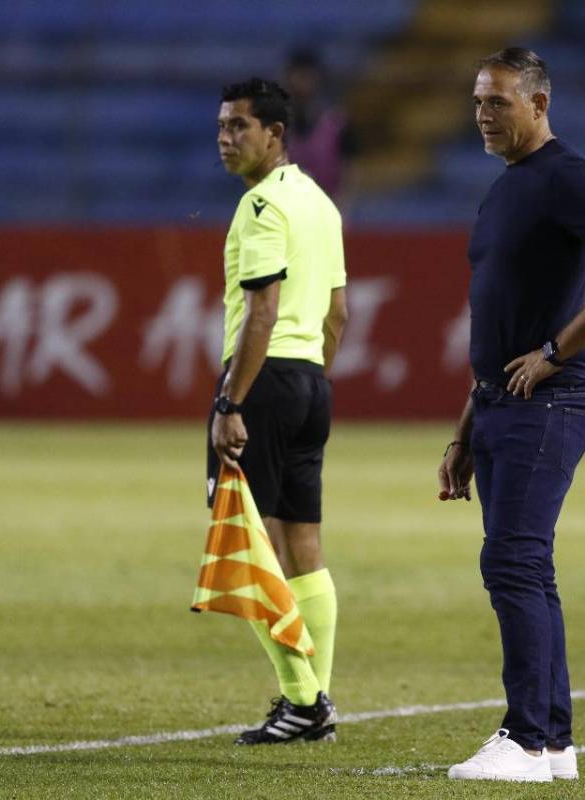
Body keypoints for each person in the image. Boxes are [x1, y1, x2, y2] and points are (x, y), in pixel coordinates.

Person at [438, 47, 585, 783]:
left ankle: (525, 739)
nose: (483, 115)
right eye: (477, 101)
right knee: (530, 567)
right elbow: (501, 319)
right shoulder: (506, 188)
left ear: (539, 104)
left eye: (498, 102)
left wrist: (557, 352)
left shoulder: (565, 175)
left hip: (550, 399)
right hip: (500, 404)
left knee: (512, 561)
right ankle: (555, 742)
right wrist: (467, 427)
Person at [209, 76, 348, 745]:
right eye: (222, 126)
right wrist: (312, 377)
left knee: (250, 545)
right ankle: (313, 700)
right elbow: (339, 313)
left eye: (240, 126)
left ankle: (303, 699)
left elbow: (261, 311)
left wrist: (233, 400)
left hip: (264, 385)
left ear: (276, 135)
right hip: (310, 382)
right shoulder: (321, 205)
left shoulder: (262, 207)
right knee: (303, 546)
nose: (226, 139)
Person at [281, 49, 356, 203]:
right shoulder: (273, 126)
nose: (301, 84)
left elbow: (349, 172)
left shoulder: (337, 124)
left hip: (328, 208)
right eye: (297, 76)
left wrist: (341, 210)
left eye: (307, 77)